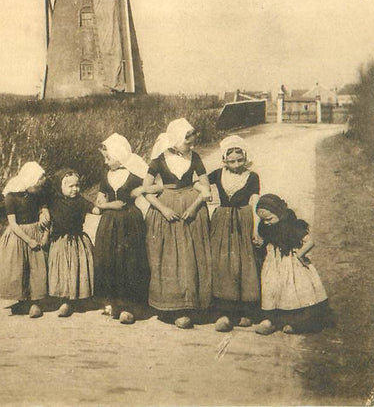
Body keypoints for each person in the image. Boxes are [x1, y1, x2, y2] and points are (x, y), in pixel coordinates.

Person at [144, 118, 212, 328]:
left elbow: (206, 187)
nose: (191, 146)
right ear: (176, 139)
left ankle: (191, 305)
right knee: (168, 256)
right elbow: (146, 190)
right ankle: (170, 307)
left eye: (192, 143)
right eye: (187, 142)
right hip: (167, 209)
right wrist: (163, 209)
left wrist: (194, 206)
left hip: (191, 209)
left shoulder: (195, 157)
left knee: (190, 255)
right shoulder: (158, 161)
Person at [93, 133, 156, 324]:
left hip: (130, 220)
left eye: (108, 157)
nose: (106, 162)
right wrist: (106, 205)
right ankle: (113, 302)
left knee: (129, 260)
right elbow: (100, 199)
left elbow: (157, 186)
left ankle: (130, 305)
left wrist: (142, 190)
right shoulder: (106, 175)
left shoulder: (135, 173)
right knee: (109, 258)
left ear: (119, 155)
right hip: (109, 222)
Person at [254, 193, 329, 334]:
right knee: (272, 289)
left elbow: (310, 241)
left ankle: (294, 322)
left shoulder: (291, 225)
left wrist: (300, 254)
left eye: (269, 219)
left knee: (291, 291)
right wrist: (261, 243)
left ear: (279, 213)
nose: (266, 223)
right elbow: (266, 240)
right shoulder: (266, 227)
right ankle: (271, 320)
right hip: (273, 265)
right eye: (263, 220)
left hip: (290, 263)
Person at [208, 135, 261, 332]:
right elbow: (199, 181)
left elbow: (255, 203)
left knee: (244, 263)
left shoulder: (252, 176)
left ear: (245, 158)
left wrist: (256, 229)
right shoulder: (217, 174)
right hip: (222, 220)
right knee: (222, 263)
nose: (236, 164)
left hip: (243, 220)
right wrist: (205, 192)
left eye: (240, 160)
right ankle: (224, 311)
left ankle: (245, 311)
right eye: (231, 161)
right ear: (224, 160)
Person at [0, 161, 48, 318]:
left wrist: (43, 212)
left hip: (36, 230)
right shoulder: (11, 196)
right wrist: (28, 240)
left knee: (37, 267)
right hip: (19, 235)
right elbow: (13, 224)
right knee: (19, 267)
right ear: (29, 180)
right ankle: (23, 301)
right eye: (37, 186)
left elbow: (43, 205)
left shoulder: (36, 194)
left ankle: (35, 301)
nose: (39, 189)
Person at [46, 168, 96, 317]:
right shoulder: (53, 201)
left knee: (78, 268)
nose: (75, 189)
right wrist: (43, 211)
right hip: (61, 241)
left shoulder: (80, 201)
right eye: (70, 186)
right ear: (61, 187)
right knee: (63, 269)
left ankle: (78, 298)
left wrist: (104, 207)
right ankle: (65, 300)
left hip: (78, 240)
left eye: (77, 185)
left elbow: (95, 209)